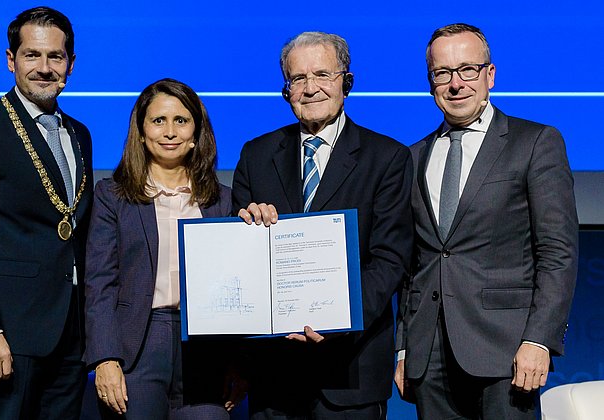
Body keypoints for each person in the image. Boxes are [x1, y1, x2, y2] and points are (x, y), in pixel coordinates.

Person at [394, 23, 578, 419]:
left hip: (508, 353)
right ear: (430, 83)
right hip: (431, 357)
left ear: (489, 75)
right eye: (442, 73)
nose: (455, 83)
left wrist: (539, 340)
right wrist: (405, 346)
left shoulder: (535, 142)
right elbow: (415, 265)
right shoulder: (412, 157)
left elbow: (557, 252)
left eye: (467, 70)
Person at [232, 31, 413, 419]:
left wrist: (336, 319)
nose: (310, 88)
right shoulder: (256, 155)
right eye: (298, 79)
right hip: (274, 372)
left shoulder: (388, 157)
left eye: (322, 75)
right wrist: (247, 231)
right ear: (286, 89)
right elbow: (243, 265)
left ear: (345, 82)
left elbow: (389, 260)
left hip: (351, 369)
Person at [0, 6, 93, 419]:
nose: (44, 68)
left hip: (69, 337)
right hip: (5, 335)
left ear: (70, 64)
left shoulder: (80, 134)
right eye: (31, 55)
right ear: (11, 60)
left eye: (55, 57)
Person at [84, 78, 239, 419]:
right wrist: (105, 357)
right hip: (137, 345)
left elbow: (237, 291)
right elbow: (99, 283)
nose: (169, 132)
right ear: (141, 132)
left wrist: (236, 363)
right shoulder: (112, 196)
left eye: (181, 121)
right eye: (158, 121)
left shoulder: (223, 200)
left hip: (204, 348)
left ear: (197, 133)